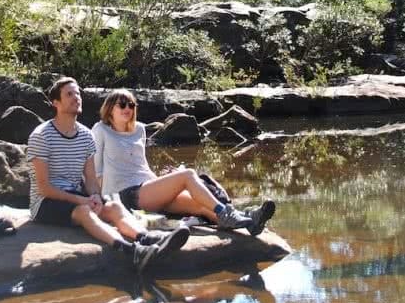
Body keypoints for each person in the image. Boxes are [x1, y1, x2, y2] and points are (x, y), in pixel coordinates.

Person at [27, 77, 188, 274]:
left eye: (77, 93)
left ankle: (147, 239)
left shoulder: (86, 135)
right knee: (84, 212)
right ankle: (131, 251)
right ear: (56, 103)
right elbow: (44, 188)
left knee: (113, 205)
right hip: (45, 202)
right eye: (69, 94)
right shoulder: (41, 135)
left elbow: (92, 179)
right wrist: (82, 200)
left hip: (76, 195)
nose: (76, 97)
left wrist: (94, 195)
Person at [91, 88, 275, 235]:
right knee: (187, 175)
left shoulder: (139, 129)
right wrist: (102, 201)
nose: (127, 108)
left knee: (201, 207)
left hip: (147, 188)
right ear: (109, 109)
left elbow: (141, 165)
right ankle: (226, 212)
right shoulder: (100, 130)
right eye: (121, 105)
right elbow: (96, 171)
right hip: (126, 194)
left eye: (130, 104)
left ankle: (250, 221)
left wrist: (161, 181)